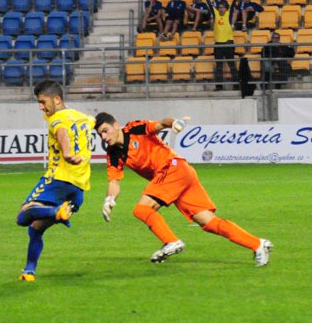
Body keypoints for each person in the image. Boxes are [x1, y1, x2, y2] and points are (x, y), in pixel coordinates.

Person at [94, 112, 272, 267]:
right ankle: (258, 244)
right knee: (208, 222)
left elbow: (163, 123)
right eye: (100, 134)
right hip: (179, 175)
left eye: (105, 130)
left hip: (172, 168)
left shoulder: (134, 128)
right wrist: (109, 200)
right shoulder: (114, 154)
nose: (103, 137)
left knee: (142, 209)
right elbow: (114, 182)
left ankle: (171, 241)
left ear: (116, 125)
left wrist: (175, 123)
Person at [15, 80, 95, 282]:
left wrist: (67, 153)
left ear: (57, 99)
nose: (41, 107)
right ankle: (29, 272)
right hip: (78, 190)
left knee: (23, 216)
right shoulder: (84, 118)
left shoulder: (56, 118)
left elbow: (61, 132)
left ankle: (56, 211)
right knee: (36, 228)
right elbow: (97, 120)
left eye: (43, 102)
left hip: (57, 180)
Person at [203, 0, 238, 90]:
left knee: (231, 65)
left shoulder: (228, 15)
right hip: (218, 44)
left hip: (228, 44)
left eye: (223, 8)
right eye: (220, 8)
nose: (221, 9)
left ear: (226, 9)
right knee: (219, 66)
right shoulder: (216, 15)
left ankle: (236, 84)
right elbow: (210, 4)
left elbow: (233, 4)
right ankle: (219, 86)